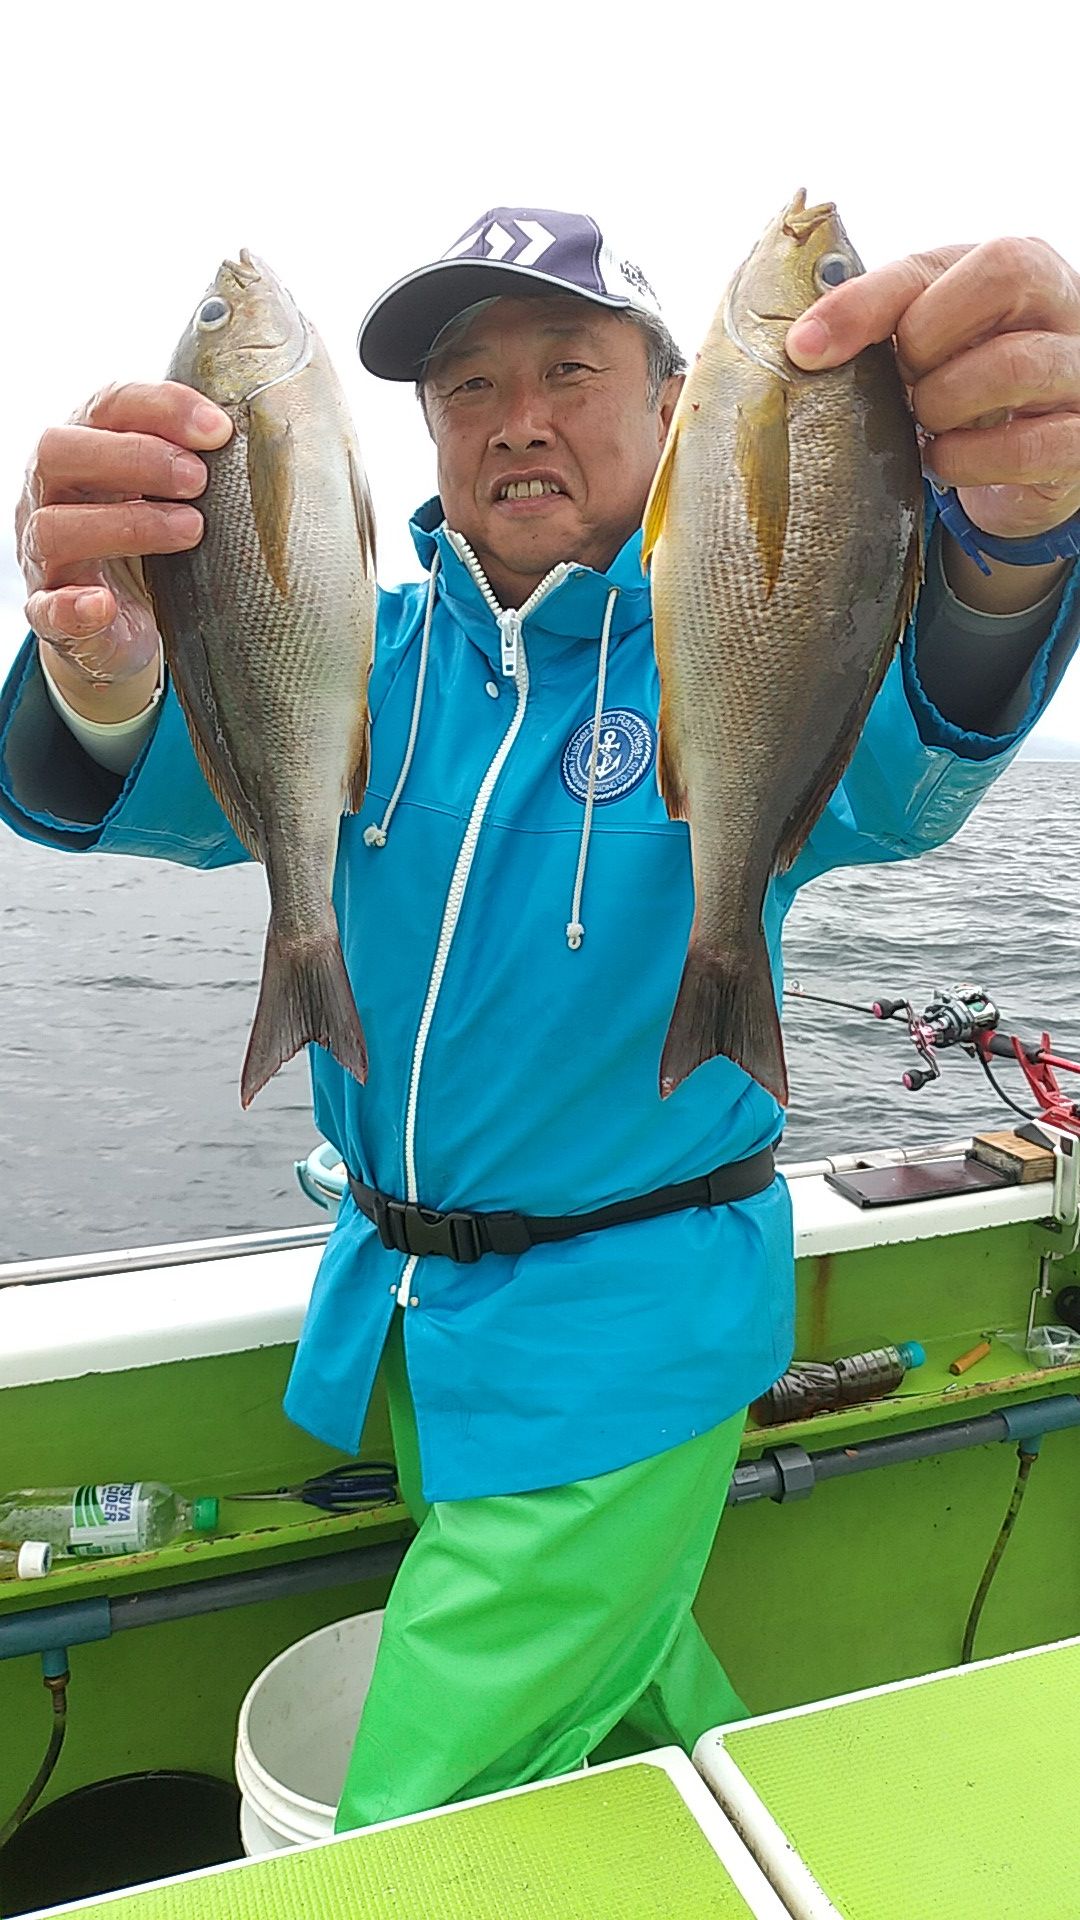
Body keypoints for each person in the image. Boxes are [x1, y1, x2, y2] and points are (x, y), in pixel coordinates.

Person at [4, 206, 1080, 1832]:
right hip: (409, 1319)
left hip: (623, 1342)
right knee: (616, 1683)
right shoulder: (354, 655)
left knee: (413, 1827)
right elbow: (113, 782)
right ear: (423, 431)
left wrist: (1010, 541)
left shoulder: (734, 634)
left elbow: (919, 733)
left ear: (677, 407)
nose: (516, 417)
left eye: (571, 369)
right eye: (467, 383)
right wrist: (100, 676)